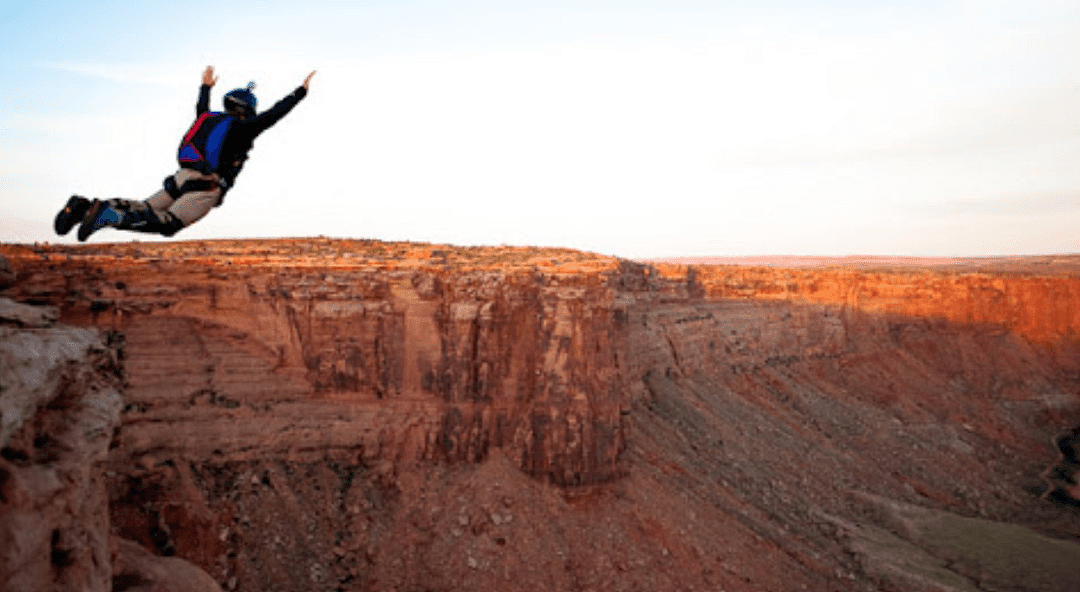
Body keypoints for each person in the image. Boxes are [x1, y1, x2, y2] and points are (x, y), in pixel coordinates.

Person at [53, 66, 316, 241]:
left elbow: (200, 107)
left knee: (146, 208)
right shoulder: (243, 129)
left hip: (179, 179)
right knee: (168, 223)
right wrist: (300, 92)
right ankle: (107, 215)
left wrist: (205, 87)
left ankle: (84, 207)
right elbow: (275, 115)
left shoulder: (208, 118)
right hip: (206, 186)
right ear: (248, 111)